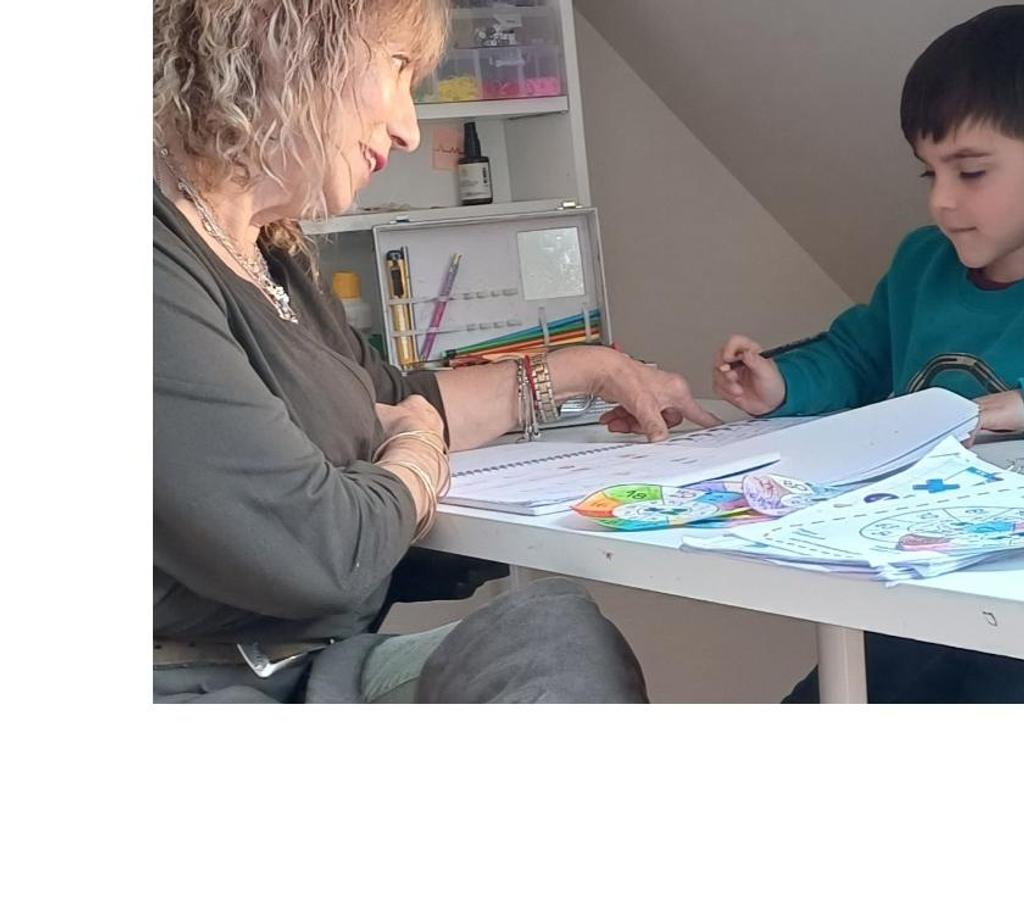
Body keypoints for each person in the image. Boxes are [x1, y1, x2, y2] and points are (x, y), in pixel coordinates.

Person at [153, 0, 719, 703]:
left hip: (313, 666)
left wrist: (588, 369)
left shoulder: (267, 254)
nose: (409, 129)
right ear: (283, 39)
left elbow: (395, 399)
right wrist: (417, 452)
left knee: (556, 635)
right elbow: (321, 548)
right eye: (396, 67)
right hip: (196, 684)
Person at [711, 5, 1024, 703]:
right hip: (907, 591)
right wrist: (779, 385)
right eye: (929, 174)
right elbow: (856, 356)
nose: (942, 202)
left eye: (971, 172)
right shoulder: (922, 264)